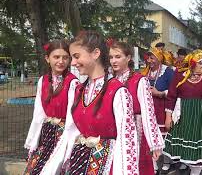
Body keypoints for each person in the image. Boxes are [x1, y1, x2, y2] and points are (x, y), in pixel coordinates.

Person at [41, 31, 138, 174]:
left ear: (95, 53)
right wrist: (50, 168)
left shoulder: (118, 92)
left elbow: (127, 142)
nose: (73, 62)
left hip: (108, 166)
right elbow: (69, 132)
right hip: (79, 163)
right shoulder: (79, 90)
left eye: (76, 56)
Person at [164, 49, 202, 175]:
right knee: (184, 150)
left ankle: (194, 172)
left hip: (201, 117)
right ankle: (188, 168)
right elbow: (171, 96)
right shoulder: (179, 74)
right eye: (201, 63)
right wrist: (168, 116)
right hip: (183, 117)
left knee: (197, 156)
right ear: (192, 63)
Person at [109, 41, 164, 174]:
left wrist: (154, 144)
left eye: (118, 56)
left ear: (128, 58)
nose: (113, 61)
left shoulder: (140, 80)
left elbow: (148, 113)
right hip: (114, 133)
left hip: (135, 133)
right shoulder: (109, 81)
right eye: (111, 57)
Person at [24, 39, 78, 174]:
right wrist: (33, 140)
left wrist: (67, 145)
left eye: (65, 57)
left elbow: (72, 118)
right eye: (56, 57)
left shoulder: (73, 83)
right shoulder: (43, 80)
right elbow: (38, 113)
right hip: (46, 133)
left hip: (63, 135)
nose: (61, 61)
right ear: (47, 58)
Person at [141, 48, 174, 173]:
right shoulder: (145, 72)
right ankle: (153, 166)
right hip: (149, 108)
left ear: (159, 58)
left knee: (164, 137)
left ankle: (166, 161)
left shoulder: (168, 72)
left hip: (163, 107)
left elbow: (173, 91)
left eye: (152, 58)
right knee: (150, 135)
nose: (149, 61)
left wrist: (159, 93)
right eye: (148, 58)